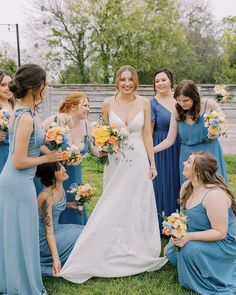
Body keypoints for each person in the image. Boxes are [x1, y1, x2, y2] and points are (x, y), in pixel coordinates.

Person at [59, 65, 167, 284]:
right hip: (116, 161)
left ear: (135, 81)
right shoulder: (108, 103)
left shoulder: (144, 103)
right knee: (114, 202)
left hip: (138, 162)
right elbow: (103, 134)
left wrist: (152, 164)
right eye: (122, 79)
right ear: (117, 81)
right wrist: (103, 145)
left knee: (137, 202)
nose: (126, 83)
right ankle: (110, 244)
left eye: (130, 79)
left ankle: (139, 246)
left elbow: (147, 135)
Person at [0, 64, 62, 295]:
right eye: (44, 83)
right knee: (21, 234)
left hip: (21, 180)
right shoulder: (24, 117)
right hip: (16, 181)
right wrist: (48, 159)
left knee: (22, 233)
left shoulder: (30, 111)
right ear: (36, 86)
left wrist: (54, 154)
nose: (46, 87)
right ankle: (22, 286)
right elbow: (18, 160)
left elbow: (35, 145)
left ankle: (17, 280)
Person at [165, 151, 236, 295]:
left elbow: (220, 233)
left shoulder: (214, 195)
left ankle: (217, 274)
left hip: (225, 242)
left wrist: (188, 237)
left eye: (189, 162)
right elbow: (183, 217)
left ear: (198, 171)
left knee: (189, 250)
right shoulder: (186, 186)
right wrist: (176, 232)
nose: (184, 163)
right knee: (171, 251)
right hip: (201, 233)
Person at [154, 80, 228, 184]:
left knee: (213, 186)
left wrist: (217, 132)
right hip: (188, 156)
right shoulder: (176, 111)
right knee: (190, 191)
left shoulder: (209, 104)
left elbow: (224, 123)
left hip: (210, 153)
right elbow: (169, 140)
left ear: (194, 97)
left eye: (185, 100)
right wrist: (151, 150)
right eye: (178, 100)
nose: (181, 104)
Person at [40, 91, 97, 225]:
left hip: (75, 176)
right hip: (55, 175)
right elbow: (37, 144)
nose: (88, 109)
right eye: (85, 106)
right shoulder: (55, 120)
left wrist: (108, 148)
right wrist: (52, 156)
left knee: (75, 204)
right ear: (73, 106)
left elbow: (94, 150)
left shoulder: (86, 125)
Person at [36, 162, 83, 276]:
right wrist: (56, 260)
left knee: (85, 230)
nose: (64, 169)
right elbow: (49, 232)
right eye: (59, 168)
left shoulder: (59, 186)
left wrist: (69, 204)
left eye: (62, 166)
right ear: (51, 175)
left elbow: (55, 206)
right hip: (45, 240)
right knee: (82, 236)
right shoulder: (46, 197)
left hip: (57, 230)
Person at [150, 68, 180, 231]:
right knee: (165, 181)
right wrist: (149, 151)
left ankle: (182, 217)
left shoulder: (180, 97)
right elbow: (149, 131)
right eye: (157, 81)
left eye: (163, 80)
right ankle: (165, 222)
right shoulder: (152, 103)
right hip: (161, 146)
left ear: (170, 81)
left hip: (181, 144)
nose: (160, 83)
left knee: (180, 179)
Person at [0, 70, 14, 174]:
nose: (8, 88)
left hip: (17, 154)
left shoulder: (16, 106)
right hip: (2, 153)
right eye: (3, 85)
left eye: (10, 84)